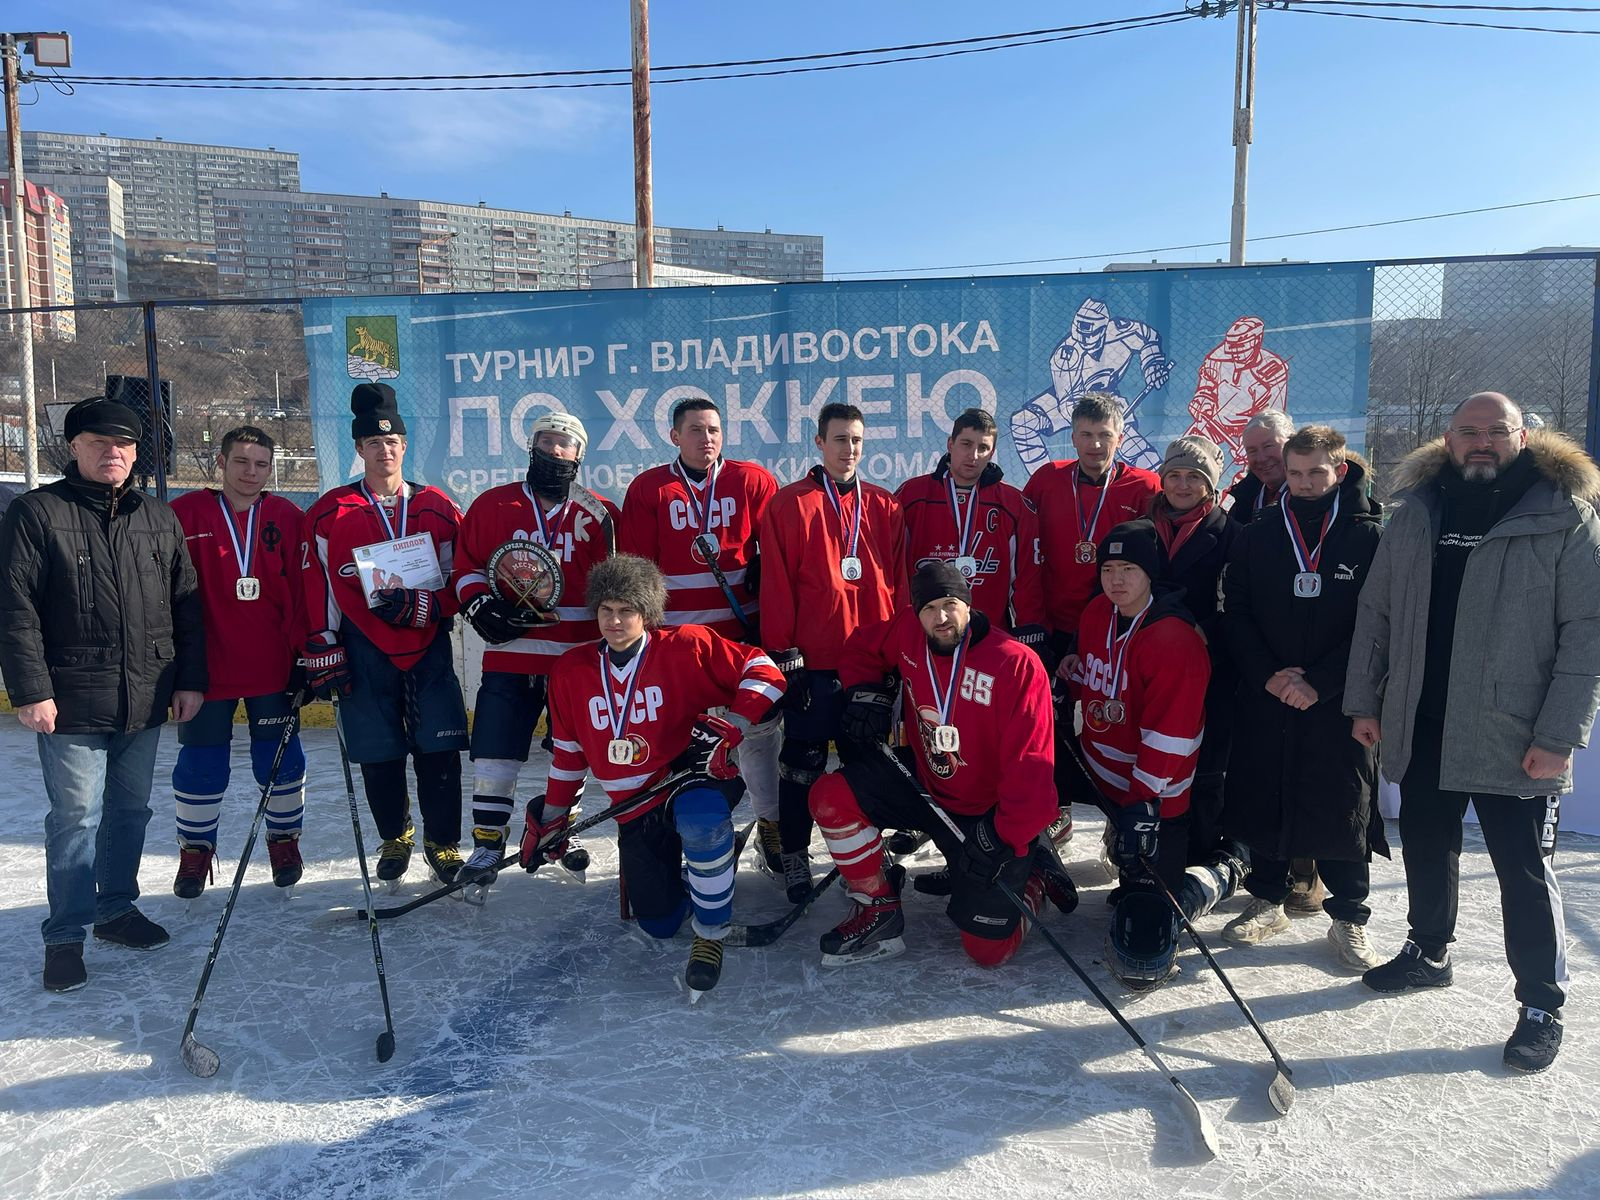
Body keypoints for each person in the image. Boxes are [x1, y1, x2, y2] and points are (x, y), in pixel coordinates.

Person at [1345, 391, 1600, 1073]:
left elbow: (1587, 634)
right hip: (1423, 717)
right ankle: (1429, 951)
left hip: (1513, 730)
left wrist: (1559, 733)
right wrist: (1365, 701)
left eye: (1496, 431)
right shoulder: (1417, 512)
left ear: (1524, 436)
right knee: (1427, 842)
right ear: (1448, 439)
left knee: (1521, 869)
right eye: (1468, 432)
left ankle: (1541, 1003)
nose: (1481, 442)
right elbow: (1377, 613)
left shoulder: (1562, 516)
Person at [0, 397, 207, 992]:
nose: (112, 451)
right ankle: (65, 935)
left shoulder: (157, 517)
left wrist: (189, 679)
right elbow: (16, 610)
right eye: (97, 441)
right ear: (73, 447)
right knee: (75, 818)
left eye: (124, 443)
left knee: (129, 811)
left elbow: (185, 606)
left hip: (145, 695)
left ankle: (115, 910)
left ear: (138, 452)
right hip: (69, 698)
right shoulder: (37, 514)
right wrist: (32, 689)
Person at [532, 554, 785, 997]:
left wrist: (735, 728)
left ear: (646, 613)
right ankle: (697, 881)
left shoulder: (687, 645)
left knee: (702, 822)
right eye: (606, 610)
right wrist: (553, 820)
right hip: (634, 804)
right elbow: (569, 757)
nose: (614, 621)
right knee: (660, 923)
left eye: (626, 610)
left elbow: (765, 671)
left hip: (693, 771)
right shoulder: (570, 671)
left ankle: (711, 930)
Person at [807, 562, 1072, 967]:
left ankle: (1032, 870)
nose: (941, 618)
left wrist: (1006, 834)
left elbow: (1032, 770)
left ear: (968, 603)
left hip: (989, 812)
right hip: (927, 786)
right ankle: (878, 908)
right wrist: (865, 692)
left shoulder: (1015, 664)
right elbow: (861, 645)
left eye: (950, 604)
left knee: (987, 952)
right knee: (831, 796)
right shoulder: (909, 630)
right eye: (929, 609)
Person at [1218, 426, 1389, 969]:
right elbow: (1236, 610)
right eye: (1295, 473)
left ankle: (1349, 915)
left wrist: (1322, 680)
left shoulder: (1369, 535)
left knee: (1342, 800)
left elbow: (1377, 622)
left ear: (1340, 469)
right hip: (1270, 692)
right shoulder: (1260, 532)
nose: (1306, 483)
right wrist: (1268, 674)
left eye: (1318, 472)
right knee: (1266, 789)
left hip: (1336, 697)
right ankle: (1267, 899)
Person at [300, 382, 467, 887]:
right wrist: (324, 643)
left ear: (405, 445)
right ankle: (395, 837)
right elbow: (321, 585)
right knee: (379, 753)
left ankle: (443, 843)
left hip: (427, 648)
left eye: (392, 442)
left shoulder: (438, 506)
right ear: (359, 449)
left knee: (439, 751)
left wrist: (429, 605)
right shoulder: (331, 512)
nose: (385, 450)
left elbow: (460, 577)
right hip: (364, 648)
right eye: (374, 443)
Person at [452, 411, 618, 893]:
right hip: (513, 655)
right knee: (494, 754)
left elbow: (617, 584)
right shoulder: (493, 504)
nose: (554, 450)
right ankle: (486, 844)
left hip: (577, 661)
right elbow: (468, 565)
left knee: (574, 752)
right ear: (531, 446)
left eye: (565, 444)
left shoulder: (600, 513)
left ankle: (558, 832)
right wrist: (479, 603)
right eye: (546, 441)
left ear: (579, 455)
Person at [619, 397, 782, 880]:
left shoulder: (752, 480)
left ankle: (770, 821)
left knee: (756, 733)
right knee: (680, 742)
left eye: (713, 429)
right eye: (695, 429)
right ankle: (682, 829)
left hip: (738, 641)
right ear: (674, 436)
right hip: (678, 647)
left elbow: (776, 552)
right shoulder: (651, 488)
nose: (706, 438)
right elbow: (636, 573)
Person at [1069, 520, 1226, 990]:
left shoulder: (1173, 638)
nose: (1116, 580)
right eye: (1109, 568)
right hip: (1100, 772)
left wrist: (1142, 805)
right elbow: (1105, 680)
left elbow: (1170, 736)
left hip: (1153, 792)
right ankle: (1037, 858)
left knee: (1149, 918)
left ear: (1151, 573)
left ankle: (1219, 872)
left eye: (1129, 569)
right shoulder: (1097, 611)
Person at [760, 401, 907, 902]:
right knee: (801, 763)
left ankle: (863, 854)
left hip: (868, 667)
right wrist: (786, 658)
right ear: (819, 443)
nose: (849, 449)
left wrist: (897, 658)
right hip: (814, 666)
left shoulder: (886, 507)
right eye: (840, 439)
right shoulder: (789, 504)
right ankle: (796, 853)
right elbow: (777, 586)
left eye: (857, 441)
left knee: (865, 765)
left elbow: (899, 587)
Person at [167, 426, 309, 897]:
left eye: (261, 464)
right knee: (201, 764)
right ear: (220, 463)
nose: (251, 472)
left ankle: (284, 841)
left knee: (280, 761)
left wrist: (305, 655)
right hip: (206, 670)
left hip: (272, 664)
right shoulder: (183, 513)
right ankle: (195, 850)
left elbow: (303, 590)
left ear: (272, 468)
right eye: (242, 462)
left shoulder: (287, 515)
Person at [1024, 393, 1160, 835]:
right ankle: (1057, 807)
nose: (1095, 445)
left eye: (1105, 435)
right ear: (1072, 436)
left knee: (1118, 716)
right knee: (1053, 721)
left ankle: (1119, 811)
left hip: (1116, 628)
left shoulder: (1143, 486)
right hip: (1055, 624)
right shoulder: (1047, 479)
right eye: (1086, 434)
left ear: (1121, 437)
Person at [1148, 435, 1238, 864]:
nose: (1182, 485)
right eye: (1174, 475)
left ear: (1210, 485)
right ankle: (1146, 858)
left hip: (1208, 669)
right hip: (1150, 668)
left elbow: (1239, 607)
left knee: (1202, 769)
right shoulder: (1144, 531)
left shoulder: (1230, 534)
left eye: (1194, 477)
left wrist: (1201, 633)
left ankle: (1196, 862)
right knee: (1151, 761)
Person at [894, 407, 1047, 655]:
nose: (973, 455)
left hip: (990, 635)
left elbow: (1026, 579)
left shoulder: (1014, 504)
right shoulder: (912, 496)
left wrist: (1029, 631)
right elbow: (894, 570)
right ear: (950, 444)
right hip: (926, 634)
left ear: (992, 452)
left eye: (983, 448)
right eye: (966, 444)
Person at [1226, 411, 1295, 526]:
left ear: (1292, 444)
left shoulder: (1312, 497)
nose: (1261, 458)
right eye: (1252, 451)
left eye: (1268, 446)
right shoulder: (1244, 498)